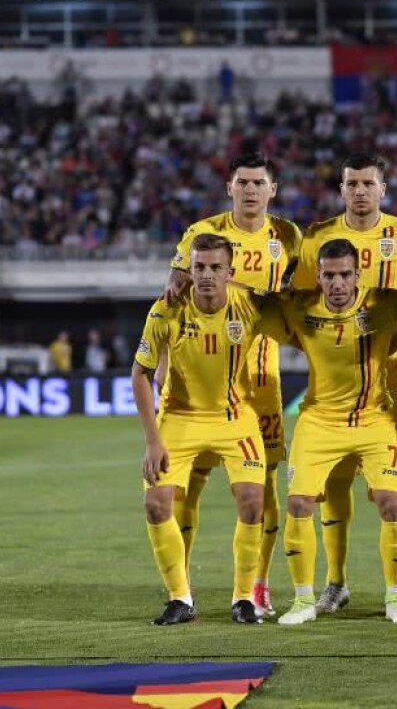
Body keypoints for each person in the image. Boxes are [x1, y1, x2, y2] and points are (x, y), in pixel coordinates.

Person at [294, 152, 397, 615]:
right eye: (352, 183)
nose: (360, 191)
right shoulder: (317, 237)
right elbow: (301, 302)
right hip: (335, 376)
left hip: (395, 374)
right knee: (332, 485)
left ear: (384, 188)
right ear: (341, 190)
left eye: (368, 183)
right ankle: (335, 583)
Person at [164, 152, 302, 619]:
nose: (249, 190)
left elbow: (302, 295)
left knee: (263, 488)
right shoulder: (203, 236)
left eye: (258, 183)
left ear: (272, 190)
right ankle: (180, 587)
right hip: (204, 380)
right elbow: (175, 286)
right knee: (190, 486)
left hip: (262, 380)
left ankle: (256, 586)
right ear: (230, 187)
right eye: (242, 182)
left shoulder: (288, 237)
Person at [264, 239, 397, 626]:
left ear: (357, 276)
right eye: (329, 276)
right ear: (318, 277)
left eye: (344, 275)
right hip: (318, 421)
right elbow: (251, 301)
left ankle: (396, 597)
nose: (336, 283)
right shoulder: (300, 306)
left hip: (373, 420)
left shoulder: (383, 304)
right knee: (299, 505)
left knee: (392, 503)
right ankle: (303, 600)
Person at [132, 234, 277, 625]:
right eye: (199, 267)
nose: (207, 275)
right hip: (180, 417)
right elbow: (140, 373)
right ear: (188, 270)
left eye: (216, 268)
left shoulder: (248, 304)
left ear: (230, 272)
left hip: (235, 418)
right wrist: (152, 440)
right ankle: (180, 598)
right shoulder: (166, 310)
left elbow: (292, 312)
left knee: (252, 502)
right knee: (156, 503)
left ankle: (244, 598)